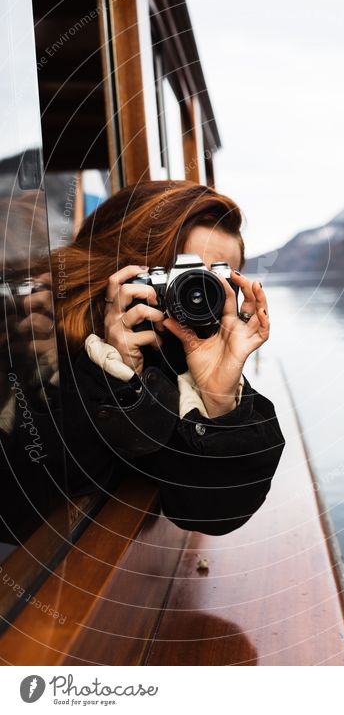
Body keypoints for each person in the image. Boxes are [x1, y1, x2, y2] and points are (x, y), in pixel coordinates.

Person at [49, 180, 285, 535]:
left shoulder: (188, 359)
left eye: (216, 282)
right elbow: (44, 491)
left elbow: (213, 513)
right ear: (122, 275)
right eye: (180, 277)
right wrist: (114, 376)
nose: (196, 296)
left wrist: (219, 402)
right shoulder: (43, 349)